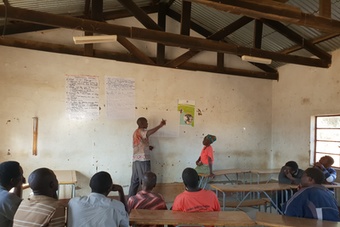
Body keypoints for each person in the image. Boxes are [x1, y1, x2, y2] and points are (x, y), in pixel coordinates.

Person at [128, 117, 166, 197]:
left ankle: (130, 200)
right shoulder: (141, 131)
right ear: (141, 124)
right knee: (145, 181)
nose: (147, 124)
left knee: (135, 181)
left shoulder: (136, 132)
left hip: (136, 160)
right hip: (143, 160)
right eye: (146, 122)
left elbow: (140, 144)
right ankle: (144, 200)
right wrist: (160, 125)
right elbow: (148, 133)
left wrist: (148, 147)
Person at [0, 161, 25, 227]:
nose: (24, 179)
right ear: (13, 181)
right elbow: (26, 219)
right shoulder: (6, 197)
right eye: (21, 175)